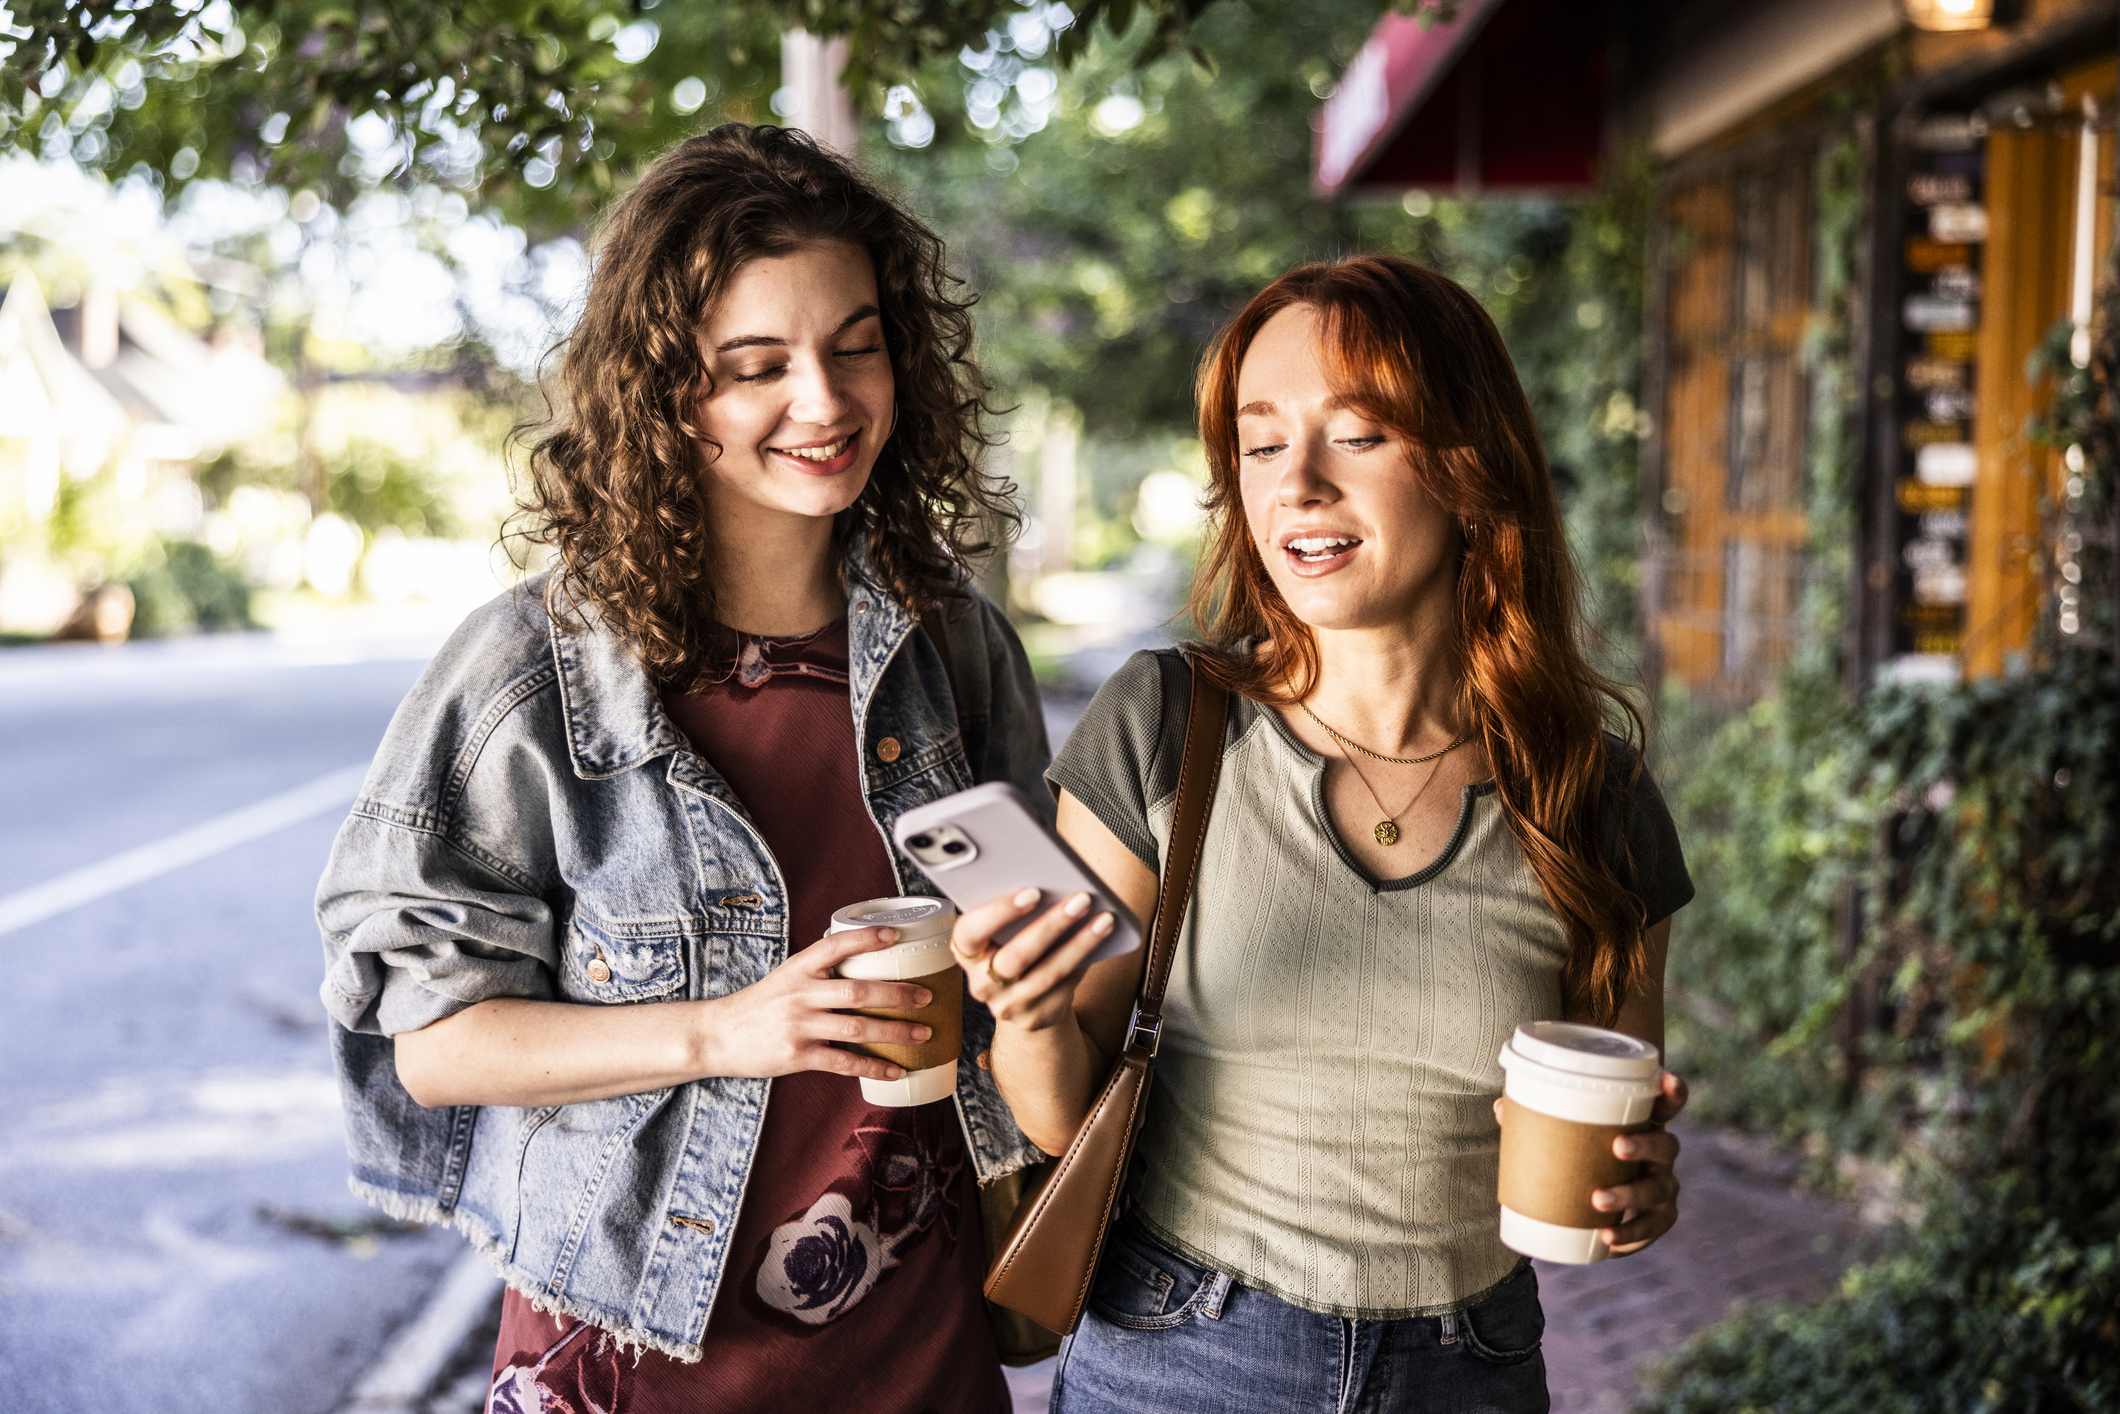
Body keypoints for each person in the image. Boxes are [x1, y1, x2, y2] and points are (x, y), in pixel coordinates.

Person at [315, 124, 1051, 1413]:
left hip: (918, 1346)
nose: (824, 403)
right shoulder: (527, 672)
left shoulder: (956, 646)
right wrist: (727, 1030)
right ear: (667, 391)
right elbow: (430, 1043)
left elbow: (1044, 965)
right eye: (756, 366)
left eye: (856, 343)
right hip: (632, 1354)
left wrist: (1044, 969)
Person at [947, 253, 1695, 1413]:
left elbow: (1614, 1139)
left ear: (1464, 465)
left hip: (1470, 1369)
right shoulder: (1166, 723)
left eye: (1355, 435)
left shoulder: (1588, 796)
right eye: (1258, 442)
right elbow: (1057, 1111)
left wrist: (1637, 1194)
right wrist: (1028, 1012)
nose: (1295, 482)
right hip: (1179, 1353)